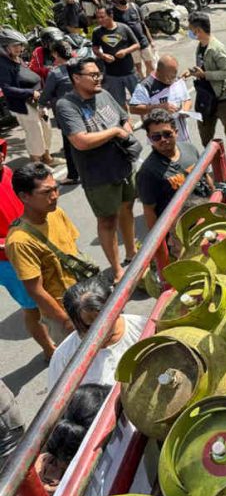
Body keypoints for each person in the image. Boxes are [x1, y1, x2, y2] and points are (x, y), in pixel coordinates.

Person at [56, 57, 138, 282]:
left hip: (123, 166)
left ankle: (132, 253)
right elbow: (80, 141)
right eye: (92, 75)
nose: (98, 78)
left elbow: (124, 118)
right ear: (76, 78)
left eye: (98, 73)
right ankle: (117, 269)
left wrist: (126, 131)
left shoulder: (104, 94)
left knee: (127, 208)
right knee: (107, 220)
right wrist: (115, 133)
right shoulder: (67, 106)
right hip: (98, 175)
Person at [6, 163, 78, 352]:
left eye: (56, 189)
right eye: (46, 192)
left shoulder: (56, 213)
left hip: (83, 298)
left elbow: (73, 253)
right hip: (64, 313)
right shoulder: (19, 242)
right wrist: (66, 321)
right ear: (24, 197)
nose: (55, 196)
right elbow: (35, 291)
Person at [47, 276, 146, 388]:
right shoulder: (64, 357)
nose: (101, 332)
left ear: (116, 308)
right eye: (89, 326)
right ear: (75, 324)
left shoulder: (142, 327)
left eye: (106, 321)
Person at [0, 140, 48, 358]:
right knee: (32, 307)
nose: (1, 156)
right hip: (8, 260)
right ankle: (50, 350)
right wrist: (7, 243)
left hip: (36, 242)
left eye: (0, 150)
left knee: (50, 294)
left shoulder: (9, 172)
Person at [137, 109, 211, 232]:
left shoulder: (190, 149)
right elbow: (149, 211)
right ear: (149, 138)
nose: (163, 139)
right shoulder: (148, 172)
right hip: (181, 231)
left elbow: (206, 178)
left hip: (206, 216)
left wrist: (217, 204)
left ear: (176, 132)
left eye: (167, 134)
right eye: (156, 137)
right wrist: (161, 248)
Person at [0, 28, 57, 166]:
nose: (19, 48)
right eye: (15, 45)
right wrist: (30, 93)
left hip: (36, 101)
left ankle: (47, 158)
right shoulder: (3, 64)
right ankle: (36, 164)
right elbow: (7, 89)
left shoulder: (17, 59)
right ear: (5, 47)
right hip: (23, 104)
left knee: (46, 129)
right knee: (35, 134)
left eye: (20, 45)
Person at [186, 12, 226, 148]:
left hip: (222, 98)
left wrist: (205, 75)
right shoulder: (201, 46)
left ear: (198, 30)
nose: (189, 33)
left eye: (191, 29)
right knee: (205, 134)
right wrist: (193, 72)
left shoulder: (217, 49)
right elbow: (203, 67)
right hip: (205, 97)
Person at [39, 40, 79, 185]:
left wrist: (40, 105)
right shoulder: (79, 65)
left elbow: (46, 94)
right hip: (83, 107)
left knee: (69, 146)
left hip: (66, 113)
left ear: (55, 53)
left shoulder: (55, 73)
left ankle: (73, 175)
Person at [129, 55, 193, 141]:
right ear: (158, 72)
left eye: (174, 75)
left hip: (183, 136)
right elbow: (133, 108)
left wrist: (185, 110)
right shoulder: (146, 86)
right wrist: (159, 107)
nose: (173, 79)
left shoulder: (177, 80)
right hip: (161, 141)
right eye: (169, 76)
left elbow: (187, 99)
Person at [91, 6, 140, 106]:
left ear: (111, 15)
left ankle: (146, 121)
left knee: (139, 102)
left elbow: (137, 45)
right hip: (112, 75)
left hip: (129, 72)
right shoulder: (97, 32)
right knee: (119, 104)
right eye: (98, 17)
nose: (99, 20)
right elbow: (95, 48)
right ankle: (127, 121)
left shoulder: (124, 28)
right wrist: (103, 55)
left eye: (102, 17)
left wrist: (125, 51)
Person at [111, 0, 156, 78]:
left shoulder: (134, 7)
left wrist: (151, 41)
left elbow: (143, 25)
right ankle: (143, 83)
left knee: (151, 65)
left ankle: (149, 81)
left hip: (143, 41)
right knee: (138, 68)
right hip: (130, 46)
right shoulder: (114, 13)